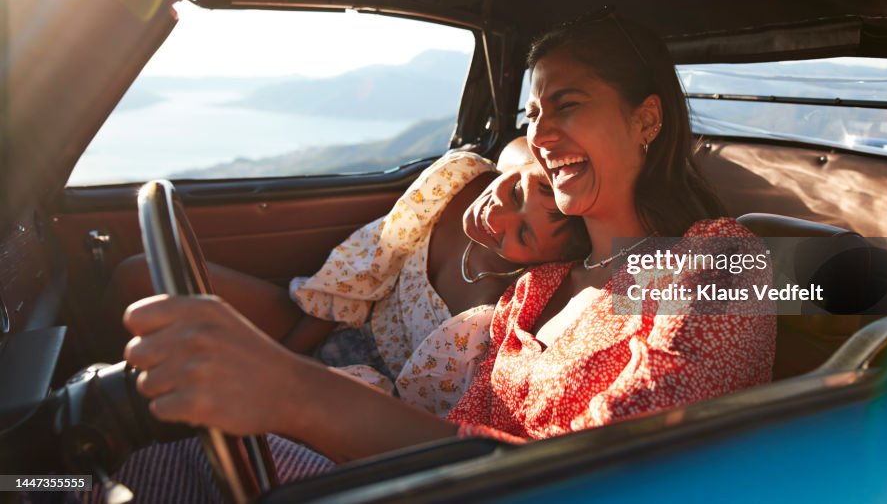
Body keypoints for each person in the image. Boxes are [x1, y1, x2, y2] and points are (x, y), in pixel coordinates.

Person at [112, 11, 775, 493]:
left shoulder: (719, 260)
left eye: (566, 105)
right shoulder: (535, 289)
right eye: (534, 111)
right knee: (157, 450)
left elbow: (602, 472)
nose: (540, 133)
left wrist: (295, 390)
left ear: (647, 120)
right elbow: (458, 437)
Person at [106, 140, 590, 416]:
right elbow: (360, 281)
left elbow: (413, 415)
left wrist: (291, 377)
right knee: (141, 277)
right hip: (327, 328)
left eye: (523, 233)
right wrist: (288, 352)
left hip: (367, 401)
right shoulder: (461, 181)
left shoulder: (510, 308)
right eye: (524, 188)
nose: (499, 217)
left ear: (542, 260)